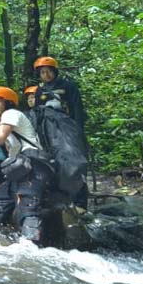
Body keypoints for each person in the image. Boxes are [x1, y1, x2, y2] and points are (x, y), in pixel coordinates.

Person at [0, 86, 54, 243]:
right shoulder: (6, 119)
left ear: (8, 102)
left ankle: (31, 249)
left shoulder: (11, 113)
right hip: (20, 168)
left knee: (27, 207)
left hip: (34, 166)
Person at [33, 56, 89, 208]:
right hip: (47, 131)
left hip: (66, 127)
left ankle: (80, 202)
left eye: (49, 71)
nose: (46, 75)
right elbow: (37, 111)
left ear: (55, 71)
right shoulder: (40, 90)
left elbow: (77, 107)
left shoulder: (68, 86)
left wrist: (78, 129)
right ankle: (59, 200)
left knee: (73, 161)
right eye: (43, 72)